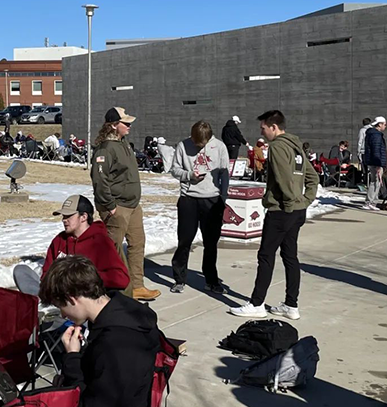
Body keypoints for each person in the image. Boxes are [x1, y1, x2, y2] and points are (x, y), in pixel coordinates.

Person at [40, 255, 160, 407]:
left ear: (72, 299)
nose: (62, 314)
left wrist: (72, 359)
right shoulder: (128, 310)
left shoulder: (114, 344)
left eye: (61, 306)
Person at [230, 110, 318, 320]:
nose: (262, 132)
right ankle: (291, 305)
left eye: (263, 128)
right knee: (290, 256)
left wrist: (290, 203)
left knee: (266, 256)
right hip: (296, 212)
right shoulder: (296, 147)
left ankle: (257, 303)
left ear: (273, 127)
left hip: (281, 211)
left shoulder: (278, 147)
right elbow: (312, 177)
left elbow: (283, 179)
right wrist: (304, 202)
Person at [91, 107, 160, 301]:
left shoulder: (124, 144)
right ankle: (118, 290)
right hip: (117, 207)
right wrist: (110, 205)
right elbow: (99, 179)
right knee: (114, 249)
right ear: (113, 125)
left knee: (137, 244)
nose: (129, 126)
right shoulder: (105, 149)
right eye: (125, 123)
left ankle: (137, 286)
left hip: (132, 205)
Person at [169, 120, 230, 294]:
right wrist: (189, 175)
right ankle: (179, 279)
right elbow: (174, 169)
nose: (198, 146)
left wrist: (223, 199)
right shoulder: (183, 145)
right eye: (196, 143)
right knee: (185, 240)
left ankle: (211, 280)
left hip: (212, 199)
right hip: (189, 198)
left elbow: (224, 174)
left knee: (211, 242)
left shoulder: (219, 147)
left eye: (202, 144)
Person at [42, 195, 130, 291]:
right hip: (60, 296)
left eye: (68, 216)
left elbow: (121, 279)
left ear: (84, 217)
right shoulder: (59, 240)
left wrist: (83, 277)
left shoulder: (100, 242)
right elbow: (46, 274)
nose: (64, 220)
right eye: (63, 216)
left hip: (90, 298)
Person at [363, 116, 387, 211]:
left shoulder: (371, 134)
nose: (385, 126)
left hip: (373, 161)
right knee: (376, 182)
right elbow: (376, 150)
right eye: (384, 124)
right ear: (380, 124)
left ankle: (372, 201)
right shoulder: (376, 135)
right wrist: (378, 164)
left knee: (375, 181)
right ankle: (370, 201)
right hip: (376, 162)